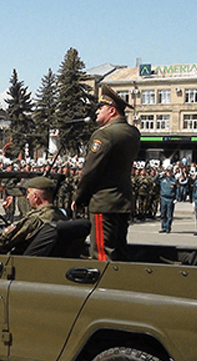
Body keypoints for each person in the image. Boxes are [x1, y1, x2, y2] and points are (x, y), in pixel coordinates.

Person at [73, 84, 140, 261]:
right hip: (122, 201)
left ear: (111, 111)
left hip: (104, 202)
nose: (97, 112)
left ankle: (103, 288)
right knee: (119, 251)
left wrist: (79, 197)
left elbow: (90, 171)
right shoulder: (133, 133)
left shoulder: (104, 135)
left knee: (102, 255)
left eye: (100, 108)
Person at [0, 176, 67, 254]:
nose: (27, 197)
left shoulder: (34, 220)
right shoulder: (59, 215)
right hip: (41, 260)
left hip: (18, 264)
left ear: (36, 197)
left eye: (28, 193)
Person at [156, 168, 177, 233]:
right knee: (163, 214)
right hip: (163, 198)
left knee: (169, 214)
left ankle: (168, 227)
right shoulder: (162, 179)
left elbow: (177, 190)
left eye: (170, 172)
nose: (169, 173)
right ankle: (163, 227)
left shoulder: (174, 181)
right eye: (167, 172)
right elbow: (154, 180)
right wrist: (159, 174)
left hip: (170, 199)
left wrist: (176, 198)